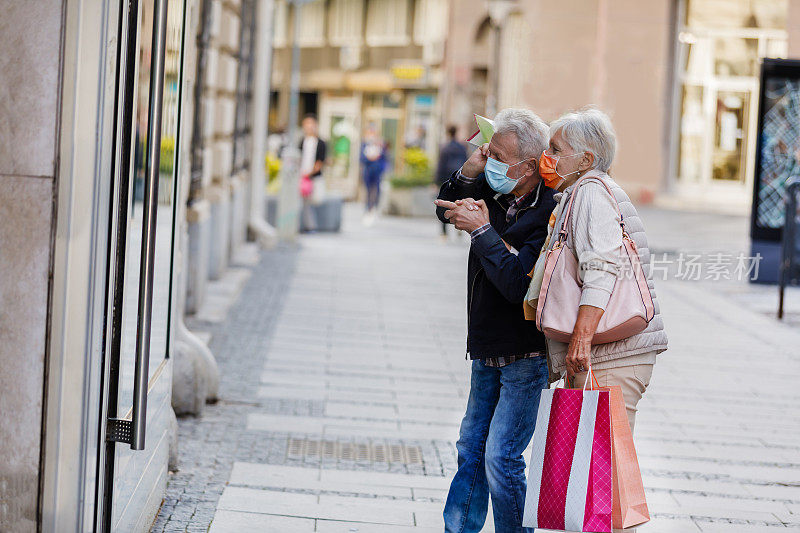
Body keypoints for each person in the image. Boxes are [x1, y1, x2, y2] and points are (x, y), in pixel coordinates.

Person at [434, 108, 556, 533]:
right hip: (486, 345)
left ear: (526, 165)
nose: (491, 161)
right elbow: (445, 209)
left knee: (501, 458)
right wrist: (470, 170)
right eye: (489, 152)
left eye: (498, 155)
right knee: (471, 448)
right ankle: (459, 528)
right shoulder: (499, 189)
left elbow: (518, 286)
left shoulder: (549, 210)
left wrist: (483, 233)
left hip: (526, 353)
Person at [534, 107, 668, 436]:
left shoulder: (591, 192)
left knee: (603, 471)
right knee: (596, 469)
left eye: (556, 150)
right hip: (608, 352)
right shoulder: (589, 189)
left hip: (610, 355)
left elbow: (602, 268)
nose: (547, 156)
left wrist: (581, 340)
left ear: (585, 159)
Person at [436, 125, 468, 239]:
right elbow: (466, 162)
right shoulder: (462, 147)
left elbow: (441, 165)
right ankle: (460, 227)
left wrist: (437, 181)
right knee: (458, 202)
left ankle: (444, 232)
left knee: (443, 203)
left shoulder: (445, 147)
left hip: (446, 178)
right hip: (460, 178)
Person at [298, 114, 326, 232]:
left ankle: (311, 225)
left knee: (316, 200)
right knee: (304, 203)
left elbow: (320, 161)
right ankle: (309, 226)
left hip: (314, 177)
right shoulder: (302, 141)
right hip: (302, 177)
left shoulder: (321, 143)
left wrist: (310, 173)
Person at [360, 124, 388, 225]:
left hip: (377, 171)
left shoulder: (381, 144)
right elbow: (361, 158)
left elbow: (385, 159)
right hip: (368, 171)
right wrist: (369, 158)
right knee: (368, 191)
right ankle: (367, 208)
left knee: (376, 190)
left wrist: (382, 168)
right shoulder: (364, 144)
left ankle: (375, 208)